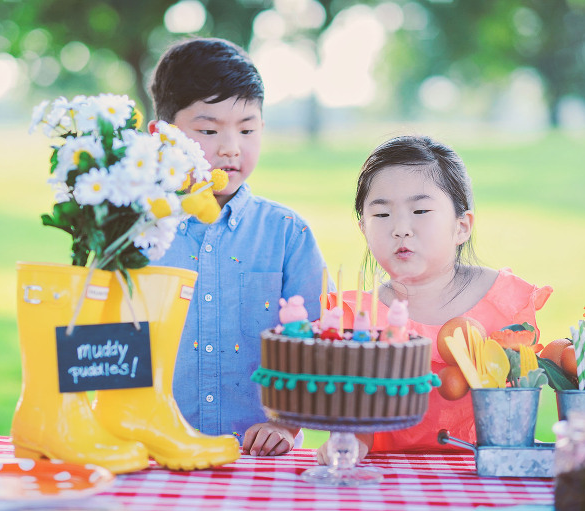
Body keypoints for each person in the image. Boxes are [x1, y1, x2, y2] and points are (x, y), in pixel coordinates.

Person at [317, 135, 552, 463]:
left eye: (421, 210)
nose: (400, 228)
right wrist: (348, 445)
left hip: (483, 478)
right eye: (382, 215)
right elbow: (353, 415)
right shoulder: (357, 318)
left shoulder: (501, 304)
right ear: (364, 230)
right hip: (385, 484)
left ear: (461, 226)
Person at [148, 37, 329, 457]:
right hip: (153, 449)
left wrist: (285, 423)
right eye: (208, 130)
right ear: (164, 135)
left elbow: (319, 342)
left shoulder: (286, 233)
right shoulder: (134, 230)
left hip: (259, 457)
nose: (231, 147)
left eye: (247, 129)